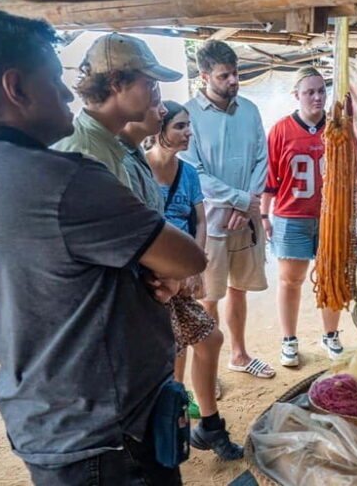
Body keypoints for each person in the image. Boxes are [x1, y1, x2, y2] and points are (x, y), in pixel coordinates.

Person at [0, 5, 206, 484]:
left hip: (53, 416)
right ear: (15, 88)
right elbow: (188, 256)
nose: (65, 93)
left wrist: (141, 277)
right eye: (54, 79)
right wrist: (157, 272)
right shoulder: (65, 179)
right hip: (103, 431)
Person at [141, 100, 243, 460]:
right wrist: (170, 274)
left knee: (210, 339)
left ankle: (205, 427)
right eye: (180, 127)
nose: (188, 133)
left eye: (188, 126)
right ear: (159, 130)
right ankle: (176, 431)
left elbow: (198, 221)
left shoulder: (187, 173)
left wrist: (194, 268)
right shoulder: (138, 170)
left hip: (180, 279)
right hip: (151, 283)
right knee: (175, 355)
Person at [181, 40, 274, 379]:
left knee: (239, 289)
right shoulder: (189, 116)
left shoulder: (249, 109)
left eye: (235, 73)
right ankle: (210, 372)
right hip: (212, 223)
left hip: (245, 219)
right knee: (209, 297)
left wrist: (248, 200)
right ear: (204, 75)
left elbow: (262, 159)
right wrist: (240, 200)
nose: (233, 81)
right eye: (224, 76)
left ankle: (239, 354)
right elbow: (195, 173)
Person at [260, 67, 343, 367]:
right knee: (290, 280)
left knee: (332, 277)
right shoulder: (281, 130)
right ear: (296, 95)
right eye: (310, 91)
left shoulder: (337, 128)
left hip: (330, 217)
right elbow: (271, 176)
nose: (318, 97)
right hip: (291, 215)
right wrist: (264, 214)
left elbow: (351, 176)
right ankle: (289, 339)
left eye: (322, 90)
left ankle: (331, 334)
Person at [54, 32, 182, 184]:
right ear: (116, 83)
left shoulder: (107, 144)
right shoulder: (85, 154)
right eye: (150, 84)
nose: (156, 96)